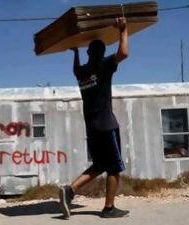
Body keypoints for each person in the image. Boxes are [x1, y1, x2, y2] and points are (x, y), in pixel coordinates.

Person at [59, 17, 129, 219]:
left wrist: (76, 53)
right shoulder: (104, 65)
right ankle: (109, 208)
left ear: (89, 52)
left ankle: (69, 190)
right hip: (107, 126)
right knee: (114, 167)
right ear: (103, 52)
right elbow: (124, 53)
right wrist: (123, 30)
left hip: (91, 128)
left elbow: (75, 69)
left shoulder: (82, 72)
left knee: (100, 165)